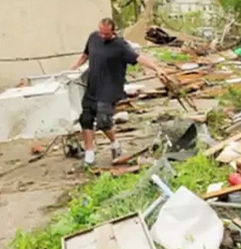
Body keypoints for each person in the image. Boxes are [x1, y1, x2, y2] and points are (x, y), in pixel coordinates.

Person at [71, 18, 168, 166]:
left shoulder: (121, 46)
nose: (103, 36)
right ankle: (89, 155)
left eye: (106, 34)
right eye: (101, 32)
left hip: (110, 89)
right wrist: (72, 69)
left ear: (113, 31)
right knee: (86, 119)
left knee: (103, 121)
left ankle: (115, 143)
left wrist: (157, 69)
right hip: (92, 86)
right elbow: (85, 55)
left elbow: (139, 58)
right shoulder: (93, 37)